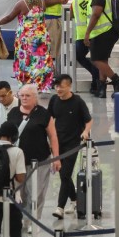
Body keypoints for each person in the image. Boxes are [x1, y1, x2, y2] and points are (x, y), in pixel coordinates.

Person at [5, 84, 61, 219]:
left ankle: (34, 219)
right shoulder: (13, 113)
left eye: (28, 96)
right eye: (22, 95)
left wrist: (56, 158)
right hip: (17, 161)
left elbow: (52, 136)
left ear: (35, 97)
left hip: (39, 160)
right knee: (20, 192)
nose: (24, 98)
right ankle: (23, 218)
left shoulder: (43, 114)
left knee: (36, 192)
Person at [0, 0, 55, 91]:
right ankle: (41, 86)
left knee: (26, 60)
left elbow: (9, 17)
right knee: (40, 61)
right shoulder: (42, 2)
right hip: (41, 36)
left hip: (26, 38)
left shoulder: (22, 4)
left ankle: (26, 84)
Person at [49, 74, 92, 219]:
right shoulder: (54, 100)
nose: (58, 89)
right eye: (56, 86)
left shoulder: (78, 102)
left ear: (69, 86)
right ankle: (75, 200)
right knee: (64, 175)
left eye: (61, 86)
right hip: (57, 143)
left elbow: (88, 120)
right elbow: (49, 119)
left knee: (65, 174)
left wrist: (85, 132)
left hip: (73, 144)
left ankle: (59, 207)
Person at [84, 0, 119, 98]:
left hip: (101, 32)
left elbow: (96, 14)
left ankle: (118, 81)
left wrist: (87, 33)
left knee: (95, 60)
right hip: (110, 31)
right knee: (103, 60)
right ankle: (102, 90)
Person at [71, 0, 100, 93]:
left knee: (80, 56)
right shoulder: (93, 1)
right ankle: (96, 81)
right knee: (95, 60)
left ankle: (95, 82)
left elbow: (72, 15)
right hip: (91, 34)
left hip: (82, 34)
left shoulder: (75, 1)